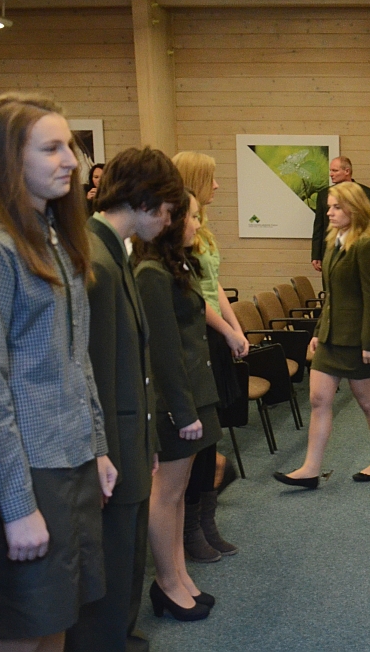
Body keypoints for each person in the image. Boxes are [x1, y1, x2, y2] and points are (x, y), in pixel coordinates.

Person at [0, 94, 118, 652]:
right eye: (52, 149)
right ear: (7, 158)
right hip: (26, 467)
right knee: (19, 632)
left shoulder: (53, 234)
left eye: (69, 146)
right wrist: (17, 506)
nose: (70, 160)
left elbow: (75, 358)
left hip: (70, 456)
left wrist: (97, 446)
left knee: (57, 619)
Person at [67, 147, 185, 652]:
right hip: (110, 448)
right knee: (110, 569)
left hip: (130, 440)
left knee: (128, 562)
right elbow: (91, 374)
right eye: (168, 209)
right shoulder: (96, 261)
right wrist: (105, 451)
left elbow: (133, 365)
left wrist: (147, 439)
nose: (170, 220)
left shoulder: (116, 253)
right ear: (145, 201)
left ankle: (120, 638)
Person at [135, 191, 223, 621]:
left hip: (194, 389)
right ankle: (167, 582)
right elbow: (164, 351)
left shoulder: (178, 265)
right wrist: (182, 410)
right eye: (191, 217)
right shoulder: (151, 273)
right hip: (176, 399)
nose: (197, 224)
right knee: (165, 493)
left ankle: (180, 574)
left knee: (180, 491)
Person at [275, 181, 370, 487]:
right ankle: (310, 469)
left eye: (337, 207)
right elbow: (331, 295)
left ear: (355, 209)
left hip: (356, 339)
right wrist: (318, 330)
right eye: (329, 207)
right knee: (318, 399)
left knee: (367, 402)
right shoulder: (334, 241)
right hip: (330, 335)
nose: (329, 213)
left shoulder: (365, 245)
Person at [171, 151, 245, 563]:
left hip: (215, 331)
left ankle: (207, 524)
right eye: (211, 179)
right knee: (200, 439)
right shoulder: (179, 235)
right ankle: (191, 529)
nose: (217, 185)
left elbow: (214, 285)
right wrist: (226, 330)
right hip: (198, 333)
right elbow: (195, 296)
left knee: (212, 432)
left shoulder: (203, 229)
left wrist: (235, 327)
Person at [311, 156, 370, 273]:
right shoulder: (324, 194)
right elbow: (319, 226)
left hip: (357, 249)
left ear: (347, 171)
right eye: (330, 170)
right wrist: (316, 254)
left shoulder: (367, 194)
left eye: (335, 170)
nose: (331, 174)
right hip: (330, 248)